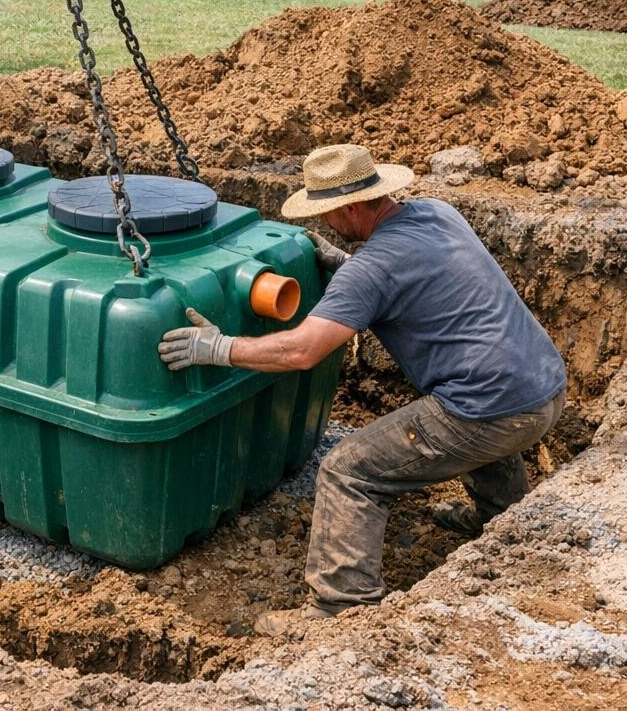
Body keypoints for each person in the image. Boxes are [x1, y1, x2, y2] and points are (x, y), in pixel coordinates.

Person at [158, 144, 566, 631]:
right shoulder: (438, 213)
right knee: (474, 397)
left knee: (349, 469)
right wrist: (345, 262)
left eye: (328, 213)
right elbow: (412, 274)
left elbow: (301, 351)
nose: (327, 223)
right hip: (542, 387)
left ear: (350, 207)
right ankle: (501, 519)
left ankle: (340, 608)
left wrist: (218, 348)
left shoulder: (369, 270)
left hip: (492, 414)